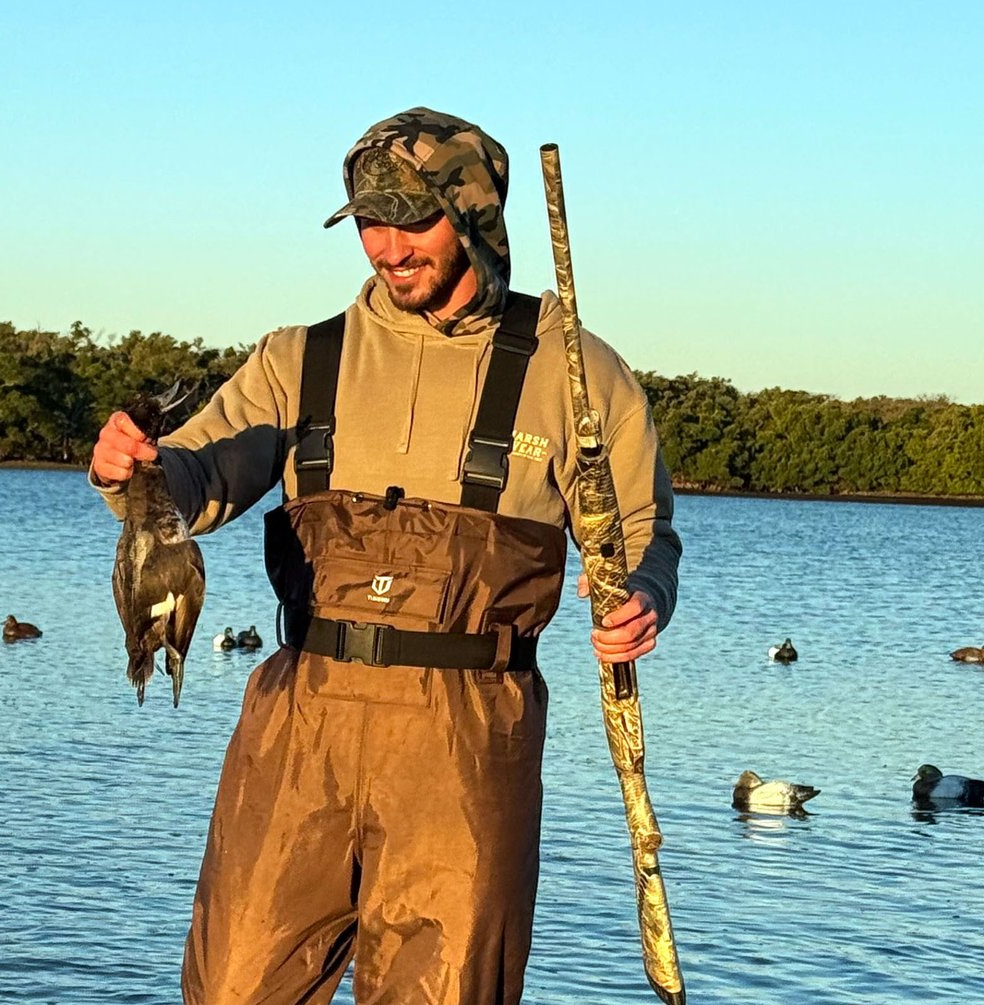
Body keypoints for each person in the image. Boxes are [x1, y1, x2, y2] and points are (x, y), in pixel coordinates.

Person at [90, 107, 681, 1005]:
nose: (388, 247)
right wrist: (135, 468)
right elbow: (198, 474)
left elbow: (644, 530)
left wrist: (642, 594)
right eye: (371, 222)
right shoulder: (298, 359)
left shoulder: (575, 370)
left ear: (477, 213)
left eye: (412, 221)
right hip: (301, 722)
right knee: (234, 985)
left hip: (470, 734)